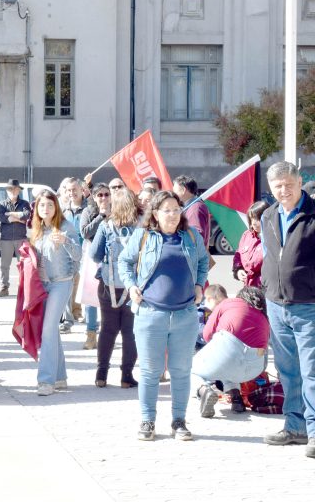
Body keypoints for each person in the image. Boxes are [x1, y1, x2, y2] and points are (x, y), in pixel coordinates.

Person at [118, 190, 209, 441]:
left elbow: (203, 261)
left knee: (180, 370)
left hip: (185, 315)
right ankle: (147, 421)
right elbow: (124, 262)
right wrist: (131, 285)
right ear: (155, 214)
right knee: (150, 370)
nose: (172, 214)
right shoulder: (143, 236)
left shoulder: (191, 237)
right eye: (166, 210)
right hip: (150, 314)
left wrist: (200, 284)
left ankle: (179, 421)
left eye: (176, 209)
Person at [259, 161, 315, 458]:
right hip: (276, 305)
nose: (283, 191)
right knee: (288, 371)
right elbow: (269, 254)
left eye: (288, 184)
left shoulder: (313, 213)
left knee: (312, 371)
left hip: (309, 306)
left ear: (298, 182)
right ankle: (295, 427)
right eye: (277, 186)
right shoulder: (268, 216)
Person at [29, 189, 82, 396]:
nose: (46, 208)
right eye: (42, 205)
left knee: (48, 329)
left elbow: (79, 255)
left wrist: (66, 242)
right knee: (50, 331)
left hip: (61, 284)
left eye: (50, 205)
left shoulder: (66, 227)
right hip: (42, 285)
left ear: (56, 206)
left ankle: (46, 381)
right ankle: (59, 377)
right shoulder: (37, 229)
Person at [191, 285, 270, 418]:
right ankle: (236, 398)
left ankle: (204, 391)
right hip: (255, 369)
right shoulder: (264, 317)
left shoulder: (228, 303)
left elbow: (206, 334)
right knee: (228, 366)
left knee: (188, 368)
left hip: (227, 355)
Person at [89, 188, 139, 389]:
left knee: (107, 330)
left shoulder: (105, 225)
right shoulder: (140, 227)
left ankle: (101, 374)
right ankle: (126, 376)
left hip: (108, 285)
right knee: (130, 332)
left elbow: (94, 255)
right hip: (133, 287)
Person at [78, 183, 110, 349]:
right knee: (91, 297)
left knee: (111, 295)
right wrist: (101, 217)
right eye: (100, 195)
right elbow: (85, 232)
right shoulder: (88, 211)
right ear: (95, 197)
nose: (104, 198)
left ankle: (107, 333)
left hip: (112, 256)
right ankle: (91, 334)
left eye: (106, 194)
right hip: (93, 255)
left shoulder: (117, 211)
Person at [60, 177, 88, 331]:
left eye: (74, 190)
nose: (72, 193)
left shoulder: (89, 208)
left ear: (81, 190)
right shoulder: (63, 210)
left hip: (86, 250)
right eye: (69, 190)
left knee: (83, 284)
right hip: (68, 252)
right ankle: (69, 318)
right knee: (70, 284)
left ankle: (78, 312)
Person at [0, 179, 30, 297]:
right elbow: (2, 218)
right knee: (5, 265)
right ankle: (4, 287)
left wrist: (11, 214)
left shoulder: (24, 203)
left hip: (21, 238)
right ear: (7, 190)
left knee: (23, 264)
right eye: (10, 189)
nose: (13, 191)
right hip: (6, 239)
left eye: (15, 189)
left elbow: (26, 216)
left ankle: (24, 287)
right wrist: (18, 217)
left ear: (19, 190)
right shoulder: (2, 204)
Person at [232, 201, 268, 288]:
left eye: (257, 219)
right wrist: (238, 270)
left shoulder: (273, 237)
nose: (254, 223)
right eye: (252, 219)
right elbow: (238, 255)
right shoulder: (247, 235)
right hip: (248, 288)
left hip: (266, 290)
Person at [173, 175, 211, 248]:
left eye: (175, 191)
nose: (173, 195)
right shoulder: (193, 206)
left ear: (183, 190)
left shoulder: (195, 208)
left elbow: (196, 236)